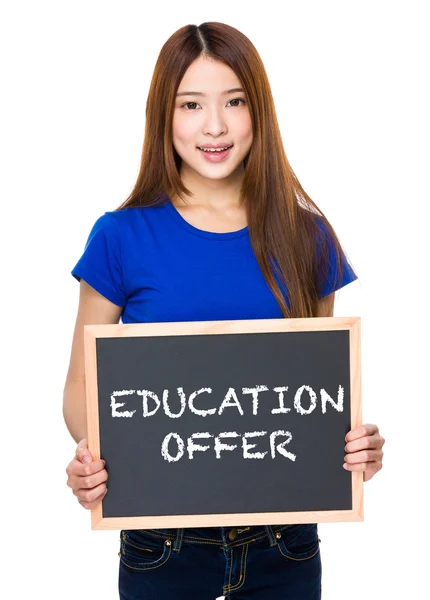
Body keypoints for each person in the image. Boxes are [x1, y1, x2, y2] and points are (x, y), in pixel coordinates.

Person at [63, 21, 385, 600]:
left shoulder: (305, 237)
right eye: (192, 104)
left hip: (284, 545)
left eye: (234, 101)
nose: (215, 125)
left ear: (258, 112)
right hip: (162, 545)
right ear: (165, 115)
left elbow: (315, 392)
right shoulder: (119, 238)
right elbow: (81, 388)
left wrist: (356, 447)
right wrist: (95, 460)